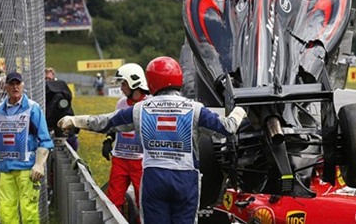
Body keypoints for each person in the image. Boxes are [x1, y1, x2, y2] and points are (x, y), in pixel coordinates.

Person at [58, 56, 247, 224]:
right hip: (185, 179)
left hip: (153, 177)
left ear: (152, 81)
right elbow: (226, 128)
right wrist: (240, 110)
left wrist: (75, 120)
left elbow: (105, 122)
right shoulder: (195, 108)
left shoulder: (140, 109)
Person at [0, 72, 54, 224]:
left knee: (28, 213)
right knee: (6, 213)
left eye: (18, 83)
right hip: (5, 169)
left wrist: (39, 164)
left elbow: (44, 138)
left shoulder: (32, 108)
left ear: (23, 85)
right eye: (11, 84)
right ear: (5, 87)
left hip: (27, 169)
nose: (15, 87)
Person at [102, 63, 150, 215]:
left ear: (134, 82)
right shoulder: (121, 103)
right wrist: (109, 140)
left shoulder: (150, 103)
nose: (121, 88)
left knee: (143, 203)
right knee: (113, 202)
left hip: (141, 161)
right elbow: (115, 125)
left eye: (123, 84)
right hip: (120, 159)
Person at [44, 67, 79, 150]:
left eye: (50, 78)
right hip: (49, 117)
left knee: (71, 138)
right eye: (46, 78)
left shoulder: (60, 87)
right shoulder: (44, 89)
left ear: (53, 76)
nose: (48, 80)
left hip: (62, 115)